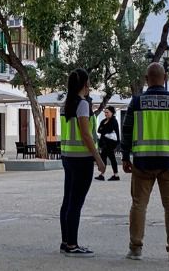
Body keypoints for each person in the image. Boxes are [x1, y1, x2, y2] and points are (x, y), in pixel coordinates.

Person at [121, 63, 169, 262]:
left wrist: (125, 157)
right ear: (165, 78)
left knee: (138, 205)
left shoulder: (137, 102)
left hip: (142, 162)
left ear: (146, 79)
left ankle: (135, 249)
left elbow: (127, 130)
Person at [59, 68, 106, 257]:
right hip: (82, 159)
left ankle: (65, 242)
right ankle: (73, 245)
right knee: (76, 203)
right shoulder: (83, 105)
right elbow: (86, 134)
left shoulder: (65, 105)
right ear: (85, 84)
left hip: (68, 157)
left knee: (67, 201)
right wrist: (98, 159)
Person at [95, 107, 121, 181]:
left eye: (107, 112)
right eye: (105, 112)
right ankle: (105, 174)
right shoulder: (103, 121)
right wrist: (104, 130)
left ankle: (113, 175)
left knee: (110, 158)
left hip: (111, 143)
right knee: (105, 157)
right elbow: (99, 130)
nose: (105, 114)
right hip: (104, 143)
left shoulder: (114, 121)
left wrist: (103, 129)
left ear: (112, 113)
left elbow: (109, 129)